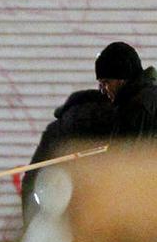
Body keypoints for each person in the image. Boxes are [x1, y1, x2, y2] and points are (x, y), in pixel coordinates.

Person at [21, 89, 114, 224]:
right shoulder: (115, 127)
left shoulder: (56, 130)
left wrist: (30, 222)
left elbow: (32, 178)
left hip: (62, 213)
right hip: (103, 215)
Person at [94, 41, 157, 138]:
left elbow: (128, 147)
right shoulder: (148, 97)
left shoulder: (137, 107)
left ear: (122, 79)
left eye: (106, 82)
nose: (103, 90)